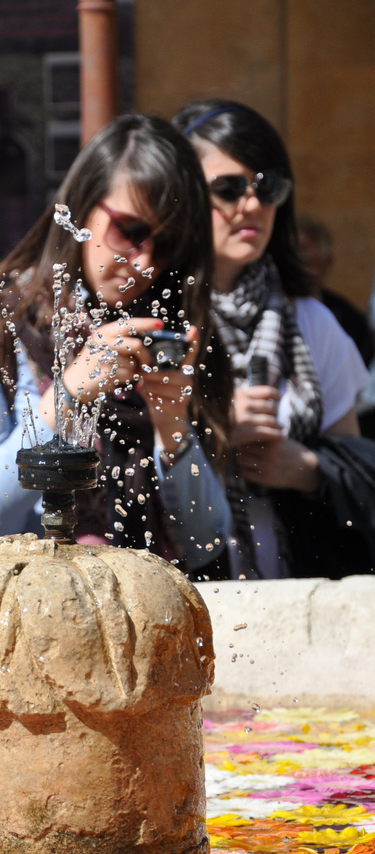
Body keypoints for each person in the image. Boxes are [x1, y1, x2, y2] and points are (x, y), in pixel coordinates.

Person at [0, 114, 234, 578]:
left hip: (154, 623)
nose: (145, 260)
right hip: (37, 624)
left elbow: (208, 544)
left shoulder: (172, 330)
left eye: (166, 242)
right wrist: (66, 400)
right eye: (129, 231)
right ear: (81, 208)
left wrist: (173, 430)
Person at [173, 99, 373, 579]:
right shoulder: (157, 320)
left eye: (268, 186)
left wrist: (307, 469)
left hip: (303, 597)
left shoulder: (312, 322)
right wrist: (214, 429)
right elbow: (125, 465)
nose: (253, 204)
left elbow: (360, 472)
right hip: (184, 599)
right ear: (182, 196)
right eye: (228, 188)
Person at [296, 215, 374, 367]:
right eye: (290, 260)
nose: (296, 269)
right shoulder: (265, 311)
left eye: (305, 261)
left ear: (326, 263)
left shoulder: (351, 322)